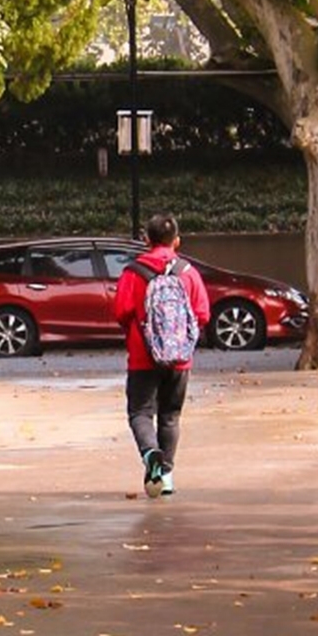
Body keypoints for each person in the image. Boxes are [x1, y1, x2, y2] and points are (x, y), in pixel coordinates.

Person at [112, 213, 211, 498]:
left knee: (140, 412)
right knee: (170, 416)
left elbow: (121, 312)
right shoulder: (188, 272)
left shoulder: (133, 272)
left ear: (146, 240)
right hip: (180, 358)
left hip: (143, 356)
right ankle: (165, 477)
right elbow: (202, 313)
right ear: (177, 241)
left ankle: (149, 453)